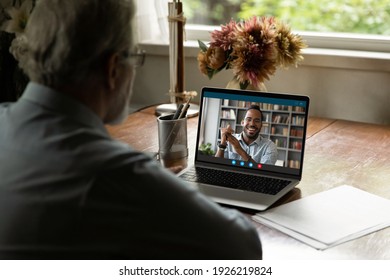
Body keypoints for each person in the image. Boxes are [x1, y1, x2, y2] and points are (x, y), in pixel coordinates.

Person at [0, 0, 262, 259]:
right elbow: (243, 247)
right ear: (113, 68)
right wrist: (161, 187)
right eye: (135, 57)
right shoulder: (117, 174)